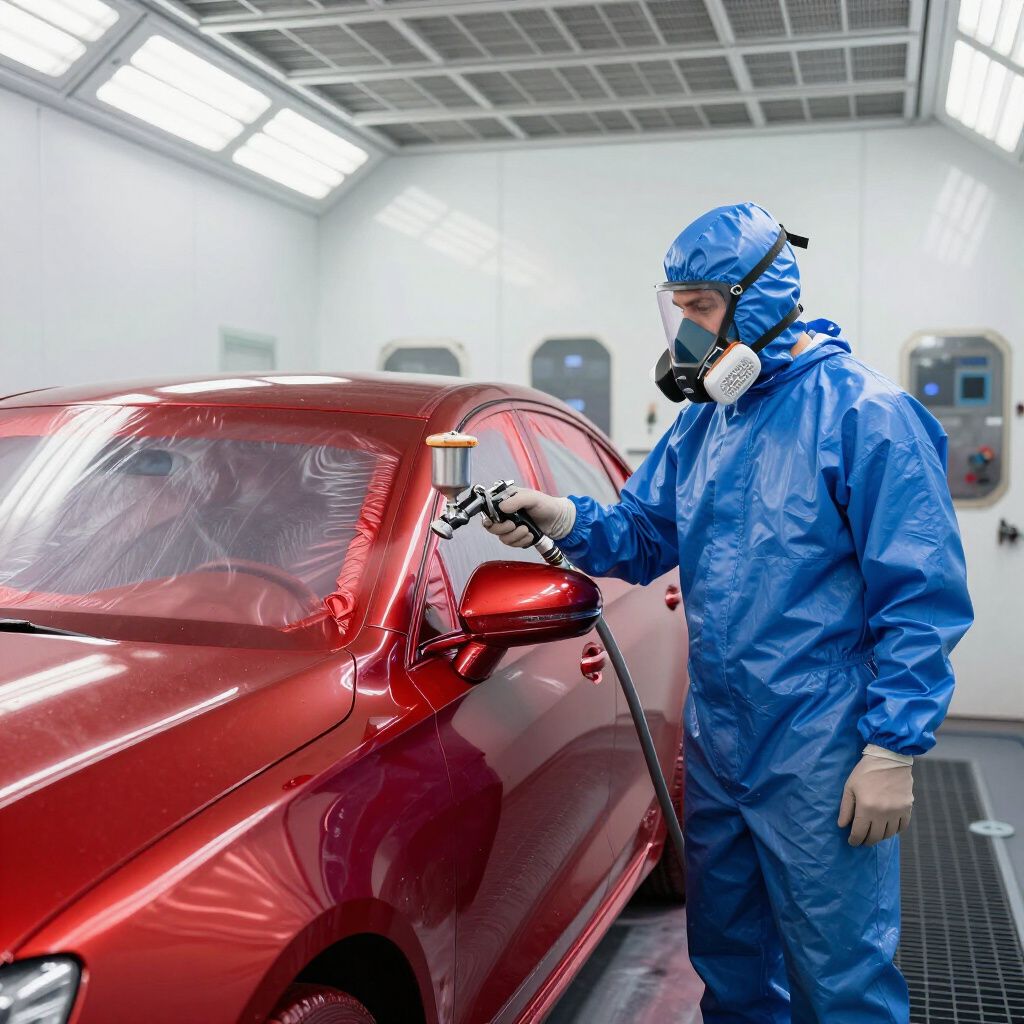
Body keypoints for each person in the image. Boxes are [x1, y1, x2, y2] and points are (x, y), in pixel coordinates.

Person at [482, 201, 974, 1024]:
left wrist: (894, 745)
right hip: (722, 745)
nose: (688, 337)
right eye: (679, 311)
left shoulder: (865, 417)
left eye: (702, 308)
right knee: (732, 963)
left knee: (840, 977)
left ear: (763, 296)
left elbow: (920, 598)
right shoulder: (704, 423)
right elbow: (642, 534)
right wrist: (559, 516)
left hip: (821, 746)